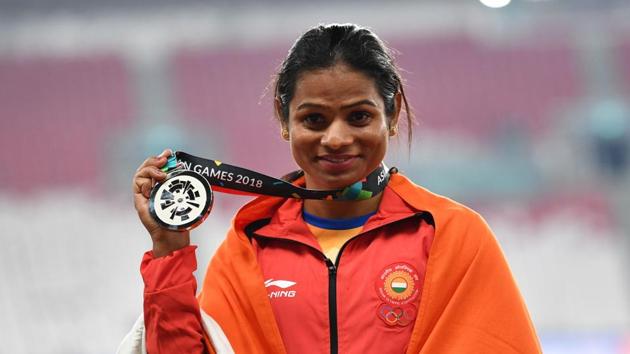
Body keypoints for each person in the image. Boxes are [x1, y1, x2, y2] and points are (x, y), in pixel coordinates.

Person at [119, 23, 541, 354]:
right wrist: (169, 249)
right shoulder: (249, 247)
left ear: (390, 117)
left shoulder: (452, 235)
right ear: (285, 122)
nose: (336, 139)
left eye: (358, 117)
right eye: (314, 120)